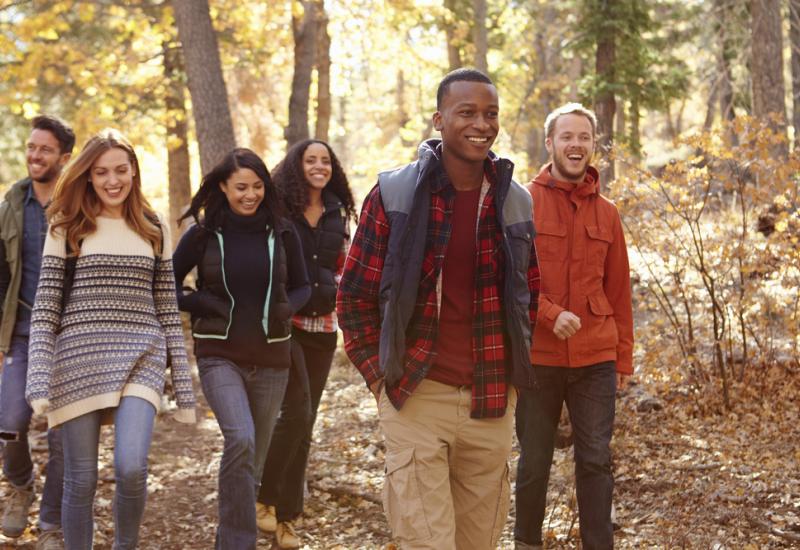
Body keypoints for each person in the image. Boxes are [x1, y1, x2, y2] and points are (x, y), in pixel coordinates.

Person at [337, 68, 540, 550]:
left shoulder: (515, 200)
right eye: (466, 112)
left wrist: (513, 380)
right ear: (439, 120)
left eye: (490, 114)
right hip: (415, 394)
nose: (481, 123)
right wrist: (379, 378)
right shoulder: (395, 194)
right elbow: (354, 295)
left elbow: (527, 294)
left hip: (490, 400)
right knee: (426, 543)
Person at [24, 128, 196, 550]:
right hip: (79, 359)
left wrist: (186, 390)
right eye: (101, 172)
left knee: (132, 467)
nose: (112, 180)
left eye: (121, 170)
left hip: (143, 355)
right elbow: (46, 308)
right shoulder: (67, 226)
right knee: (80, 477)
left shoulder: (154, 227)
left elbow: (166, 309)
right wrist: (38, 377)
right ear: (88, 175)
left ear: (134, 172)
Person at [172, 148, 310, 550]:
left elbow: (303, 285)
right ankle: (237, 542)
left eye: (257, 186)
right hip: (220, 355)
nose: (250, 195)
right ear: (222, 187)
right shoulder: (201, 234)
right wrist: (199, 302)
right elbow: (164, 285)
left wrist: (290, 307)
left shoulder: (283, 232)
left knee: (253, 460)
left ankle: (227, 538)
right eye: (241, 188)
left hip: (272, 358)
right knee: (242, 440)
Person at [514, 103, 634, 550]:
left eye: (584, 137)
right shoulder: (522, 200)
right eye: (567, 136)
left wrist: (623, 357)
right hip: (538, 357)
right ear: (550, 144)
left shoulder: (608, 212)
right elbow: (511, 280)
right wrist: (549, 314)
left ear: (593, 144)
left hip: (596, 357)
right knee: (534, 462)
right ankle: (526, 542)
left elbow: (620, 291)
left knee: (596, 461)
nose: (576, 145)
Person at [255, 139, 355, 549]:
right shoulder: (280, 210)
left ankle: (286, 520)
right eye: (310, 160)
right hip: (288, 325)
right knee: (295, 411)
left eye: (325, 160)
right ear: (296, 167)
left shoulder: (336, 211)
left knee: (306, 423)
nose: (319, 166)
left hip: (324, 327)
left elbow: (343, 264)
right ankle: (262, 497)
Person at [0, 114, 74, 549]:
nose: (35, 155)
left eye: (44, 149)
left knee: (63, 433)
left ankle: (51, 522)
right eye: (31, 147)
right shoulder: (13, 201)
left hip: (70, 335)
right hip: (23, 331)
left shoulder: (81, 203)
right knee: (8, 421)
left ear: (64, 158)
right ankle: (21, 483)